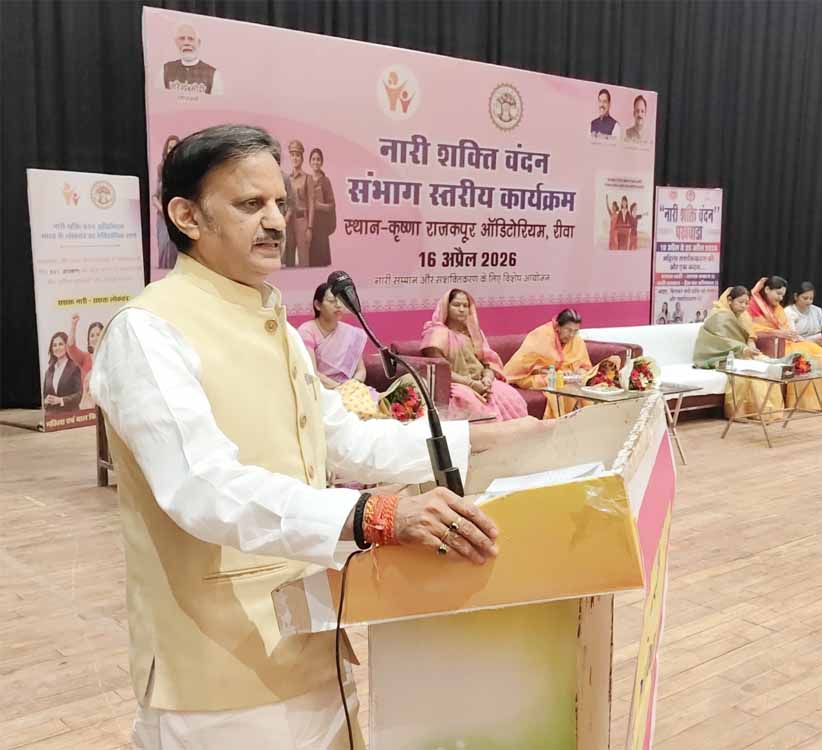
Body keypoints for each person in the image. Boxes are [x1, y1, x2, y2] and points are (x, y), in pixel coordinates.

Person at [89, 125, 547, 750]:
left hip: (311, 636)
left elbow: (343, 439)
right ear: (187, 216)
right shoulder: (148, 331)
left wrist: (487, 439)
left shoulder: (273, 322)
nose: (276, 221)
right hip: (218, 672)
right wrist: (374, 515)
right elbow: (200, 486)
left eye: (281, 203)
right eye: (250, 204)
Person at [421, 289, 529, 421]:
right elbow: (440, 371)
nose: (461, 309)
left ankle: (511, 433)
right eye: (456, 305)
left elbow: (486, 364)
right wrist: (472, 385)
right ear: (446, 307)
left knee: (510, 396)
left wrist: (487, 379)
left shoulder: (475, 334)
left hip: (481, 382)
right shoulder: (436, 335)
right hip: (454, 384)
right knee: (467, 400)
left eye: (465, 306)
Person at [748, 276, 822, 411]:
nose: (781, 298)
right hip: (769, 345)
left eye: (782, 295)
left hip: (785, 342)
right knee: (801, 354)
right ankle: (804, 402)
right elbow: (752, 329)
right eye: (778, 294)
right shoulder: (752, 306)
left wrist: (787, 334)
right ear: (767, 289)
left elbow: (787, 329)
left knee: (818, 352)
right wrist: (777, 333)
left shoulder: (778, 308)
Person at [692, 286, 783, 419]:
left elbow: (749, 335)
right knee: (744, 375)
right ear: (729, 300)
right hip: (717, 355)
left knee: (765, 368)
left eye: (746, 303)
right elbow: (721, 341)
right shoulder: (719, 315)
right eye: (740, 302)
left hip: (740, 353)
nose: (744, 306)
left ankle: (768, 410)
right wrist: (743, 349)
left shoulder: (744, 315)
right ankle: (745, 412)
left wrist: (751, 345)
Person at [504, 308, 592, 419]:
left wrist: (576, 372)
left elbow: (586, 367)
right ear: (558, 327)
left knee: (582, 386)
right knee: (557, 385)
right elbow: (522, 366)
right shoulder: (541, 336)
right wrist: (548, 372)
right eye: (568, 330)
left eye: (575, 331)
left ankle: (585, 422)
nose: (571, 335)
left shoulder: (576, 340)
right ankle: (559, 424)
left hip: (565, 378)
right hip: (536, 377)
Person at [298, 282, 367, 389]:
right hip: (319, 389)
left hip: (349, 389)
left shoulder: (350, 333)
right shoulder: (306, 331)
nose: (339, 305)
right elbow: (310, 372)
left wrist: (354, 386)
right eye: (332, 301)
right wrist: (339, 389)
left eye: (341, 301)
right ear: (318, 305)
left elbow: (361, 370)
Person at [162, 24, 224, 95]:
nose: (186, 43)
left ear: (198, 42)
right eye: (182, 38)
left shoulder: (214, 74)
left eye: (191, 39)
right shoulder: (165, 70)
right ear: (176, 42)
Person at [284, 139, 313, 267]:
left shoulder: (307, 178)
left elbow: (311, 204)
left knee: (303, 259)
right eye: (293, 155)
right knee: (288, 258)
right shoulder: (287, 179)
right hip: (289, 222)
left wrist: (310, 227)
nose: (295, 158)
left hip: (302, 221)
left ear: (302, 158)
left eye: (298, 155)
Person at [155, 135, 181, 269]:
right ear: (166, 150)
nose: (172, 150)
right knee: (164, 245)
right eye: (170, 147)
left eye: (175, 147)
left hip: (176, 215)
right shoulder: (160, 168)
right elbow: (154, 196)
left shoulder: (182, 170)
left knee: (174, 245)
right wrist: (162, 210)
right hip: (162, 216)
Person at [68, 314, 104, 409]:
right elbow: (71, 347)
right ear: (88, 340)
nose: (95, 338)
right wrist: (73, 325)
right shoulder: (84, 358)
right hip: (88, 408)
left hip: (106, 408)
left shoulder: (110, 358)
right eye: (92, 336)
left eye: (98, 334)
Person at [308, 148, 336, 267]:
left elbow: (332, 206)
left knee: (321, 263)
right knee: (310, 262)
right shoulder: (307, 179)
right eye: (313, 159)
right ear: (310, 161)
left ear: (322, 162)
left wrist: (318, 206)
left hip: (321, 227)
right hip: (310, 225)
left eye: (318, 159)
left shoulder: (325, 181)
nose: (316, 162)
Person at [42, 332, 83, 413]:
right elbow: (44, 396)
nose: (57, 347)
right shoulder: (48, 372)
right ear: (51, 349)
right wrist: (46, 401)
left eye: (60, 344)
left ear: (66, 346)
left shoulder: (74, 368)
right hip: (52, 417)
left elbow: (79, 395)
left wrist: (61, 400)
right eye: (54, 345)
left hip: (70, 416)